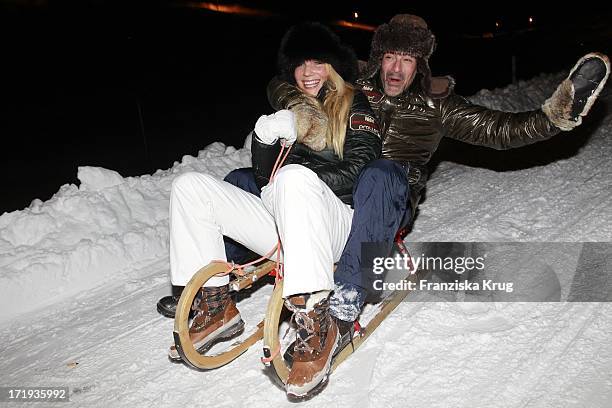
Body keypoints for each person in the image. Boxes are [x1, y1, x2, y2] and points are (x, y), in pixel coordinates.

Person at [265, 14, 610, 324]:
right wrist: (297, 106)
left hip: (390, 194)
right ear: (378, 58)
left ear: (421, 65)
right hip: (339, 188)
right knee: (254, 181)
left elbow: (501, 130)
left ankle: (350, 293)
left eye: (407, 59)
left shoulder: (437, 105)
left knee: (380, 173)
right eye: (389, 57)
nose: (396, 69)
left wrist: (553, 116)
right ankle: (219, 281)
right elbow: (287, 78)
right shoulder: (357, 81)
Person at [165, 22, 381, 398]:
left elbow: (361, 169)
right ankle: (217, 304)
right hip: (285, 219)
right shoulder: (292, 107)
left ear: (333, 66)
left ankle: (318, 315)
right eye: (300, 65)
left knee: (294, 177)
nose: (307, 73)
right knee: (191, 187)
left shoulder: (355, 103)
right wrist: (265, 141)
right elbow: (267, 181)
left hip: (335, 225)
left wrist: (300, 174)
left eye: (317, 62)